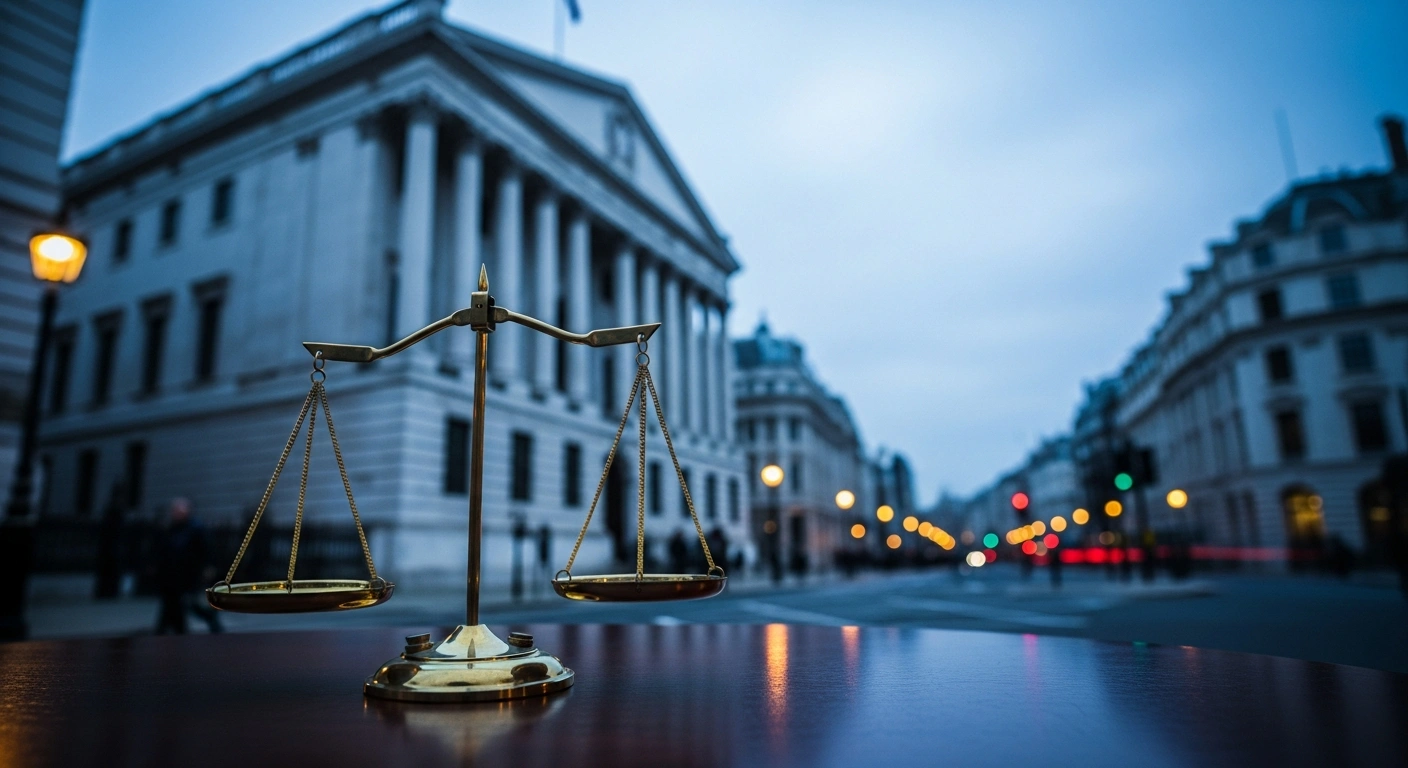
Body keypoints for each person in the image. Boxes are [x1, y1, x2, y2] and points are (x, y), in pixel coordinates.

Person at [153, 498, 222, 634]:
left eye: (179, 511)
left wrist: (207, 569)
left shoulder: (196, 529)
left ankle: (207, 623)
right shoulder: (172, 529)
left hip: (188, 575)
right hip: (172, 577)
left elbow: (206, 551)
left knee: (186, 605)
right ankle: (171, 632)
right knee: (172, 607)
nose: (175, 514)